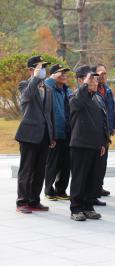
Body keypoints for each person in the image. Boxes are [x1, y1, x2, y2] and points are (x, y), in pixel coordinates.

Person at [15, 56, 55, 214]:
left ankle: (34, 200)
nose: (43, 70)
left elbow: (49, 114)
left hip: (45, 135)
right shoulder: (25, 85)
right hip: (29, 134)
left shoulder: (48, 89)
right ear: (31, 70)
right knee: (27, 169)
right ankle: (22, 201)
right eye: (40, 67)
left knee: (40, 170)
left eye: (44, 67)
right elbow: (27, 96)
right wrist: (34, 78)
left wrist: (52, 135)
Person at [69, 65, 109, 221]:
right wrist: (85, 85)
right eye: (91, 78)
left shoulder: (97, 98)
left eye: (96, 79)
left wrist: (103, 143)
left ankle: (88, 206)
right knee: (79, 177)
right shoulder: (75, 96)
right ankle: (76, 208)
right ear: (81, 80)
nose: (95, 82)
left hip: (96, 144)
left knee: (93, 178)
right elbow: (77, 103)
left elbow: (101, 122)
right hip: (80, 144)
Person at [44, 64, 73, 201]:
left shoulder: (67, 90)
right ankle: (49, 190)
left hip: (68, 132)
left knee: (66, 164)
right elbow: (45, 82)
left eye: (65, 72)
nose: (63, 75)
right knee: (52, 163)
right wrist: (51, 77)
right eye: (60, 73)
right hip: (55, 133)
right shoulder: (49, 87)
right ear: (53, 75)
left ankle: (61, 190)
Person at [95, 64, 115, 205]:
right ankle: (93, 189)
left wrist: (113, 125)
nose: (103, 76)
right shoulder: (91, 90)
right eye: (100, 73)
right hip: (96, 131)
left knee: (103, 162)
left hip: (106, 131)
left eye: (105, 73)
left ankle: (99, 186)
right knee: (96, 161)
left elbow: (111, 110)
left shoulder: (108, 90)